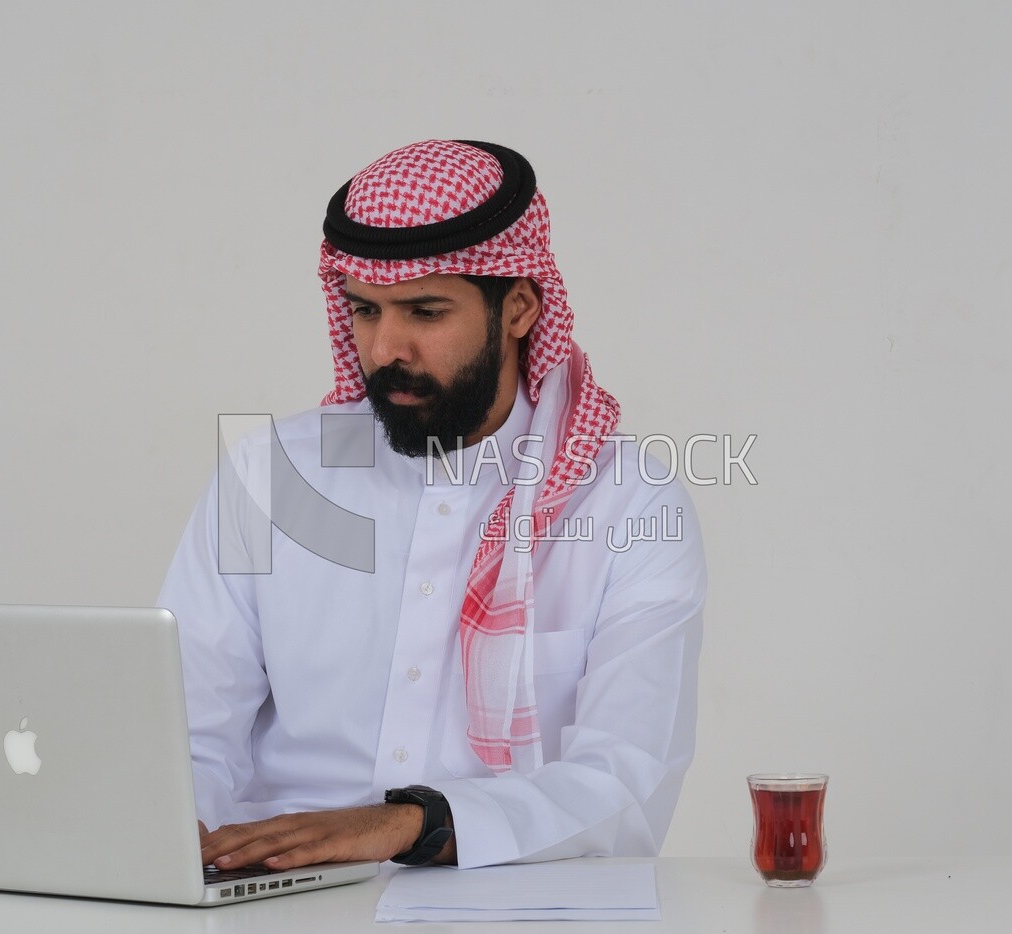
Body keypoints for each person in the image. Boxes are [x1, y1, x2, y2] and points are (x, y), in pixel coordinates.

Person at [158, 139, 706, 872]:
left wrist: (411, 825)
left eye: (424, 310)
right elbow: (183, 736)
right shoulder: (267, 478)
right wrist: (177, 855)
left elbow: (626, 784)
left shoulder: (629, 503)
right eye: (364, 309)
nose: (386, 347)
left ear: (518, 307)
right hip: (272, 917)